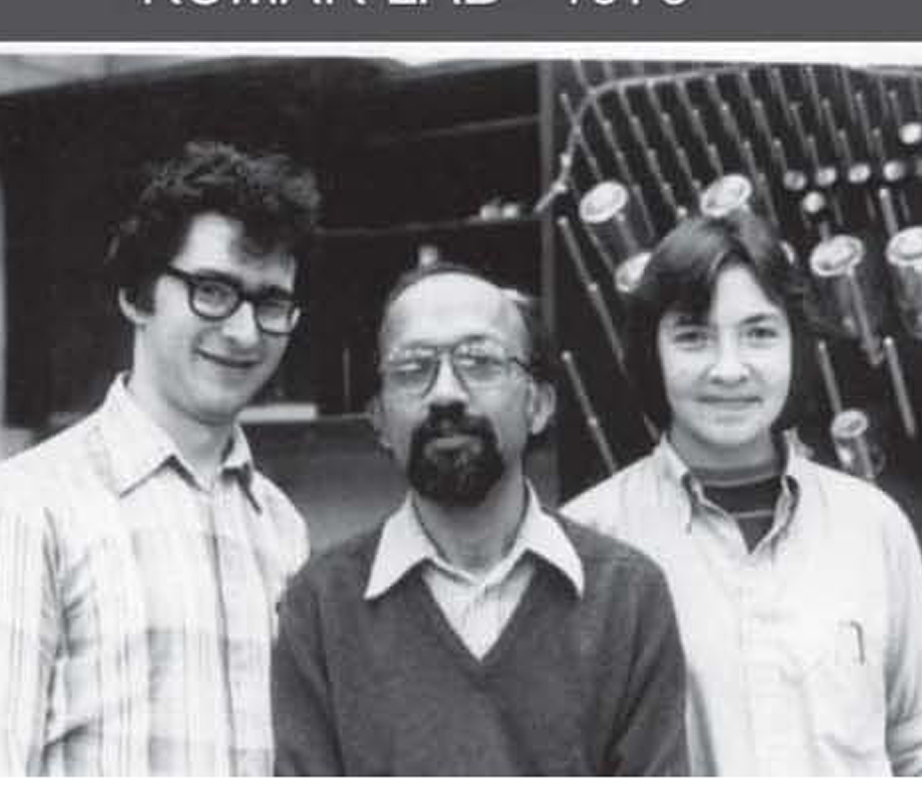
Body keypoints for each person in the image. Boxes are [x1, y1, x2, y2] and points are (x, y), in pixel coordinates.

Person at [0, 141, 320, 775]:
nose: (246, 331)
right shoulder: (23, 509)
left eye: (271, 302)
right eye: (213, 290)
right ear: (137, 297)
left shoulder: (282, 529)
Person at [564, 211, 922, 776]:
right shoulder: (584, 541)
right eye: (693, 337)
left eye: (759, 333)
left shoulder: (872, 524)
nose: (729, 368)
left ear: (795, 344)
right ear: (651, 353)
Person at [272, 261, 688, 776]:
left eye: (480, 361)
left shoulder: (628, 596)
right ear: (378, 420)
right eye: (412, 367)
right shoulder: (319, 606)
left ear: (538, 405)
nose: (446, 392)